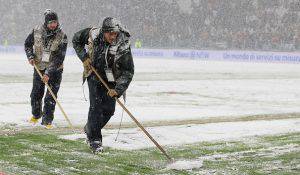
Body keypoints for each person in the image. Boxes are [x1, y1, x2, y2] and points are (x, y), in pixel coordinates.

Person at [72, 17, 134, 153]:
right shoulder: (93, 34)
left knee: (109, 110)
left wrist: (117, 90)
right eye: (110, 34)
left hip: (111, 79)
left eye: (115, 34)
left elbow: (128, 72)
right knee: (96, 107)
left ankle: (90, 128)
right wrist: (84, 57)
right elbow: (76, 40)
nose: (113, 36)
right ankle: (95, 140)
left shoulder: (123, 45)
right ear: (104, 31)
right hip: (94, 74)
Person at [24, 9, 68, 129]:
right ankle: (36, 115)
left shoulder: (62, 36)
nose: (53, 25)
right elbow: (28, 44)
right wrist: (30, 56)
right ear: (46, 22)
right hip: (39, 67)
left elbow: (60, 57)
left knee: (50, 96)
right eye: (51, 22)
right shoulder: (36, 30)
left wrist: (48, 73)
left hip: (55, 70)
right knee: (35, 94)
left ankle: (47, 120)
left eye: (55, 22)